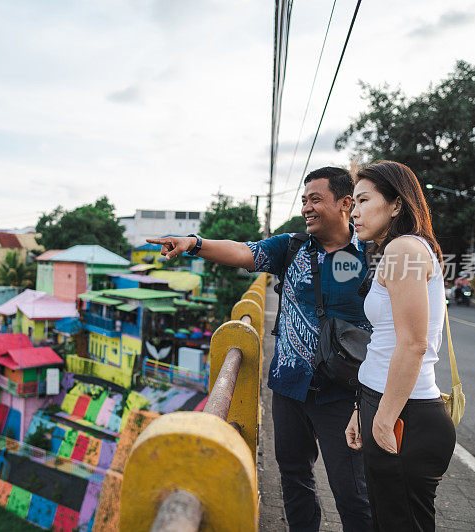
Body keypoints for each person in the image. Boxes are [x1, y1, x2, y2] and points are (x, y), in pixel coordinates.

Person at [148, 167, 372, 531]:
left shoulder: (373, 255)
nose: (307, 207)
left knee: (352, 491)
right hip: (290, 385)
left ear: (345, 203)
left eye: (316, 199)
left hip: (345, 394)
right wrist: (195, 243)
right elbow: (243, 251)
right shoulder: (292, 247)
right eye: (304, 200)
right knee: (294, 477)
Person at [345, 161, 456, 531]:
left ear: (396, 205)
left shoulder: (404, 249)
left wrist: (386, 417)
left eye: (363, 200)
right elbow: (385, 341)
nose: (354, 212)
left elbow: (413, 345)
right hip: (388, 405)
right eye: (352, 203)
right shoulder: (397, 250)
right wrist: (364, 409)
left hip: (405, 416)